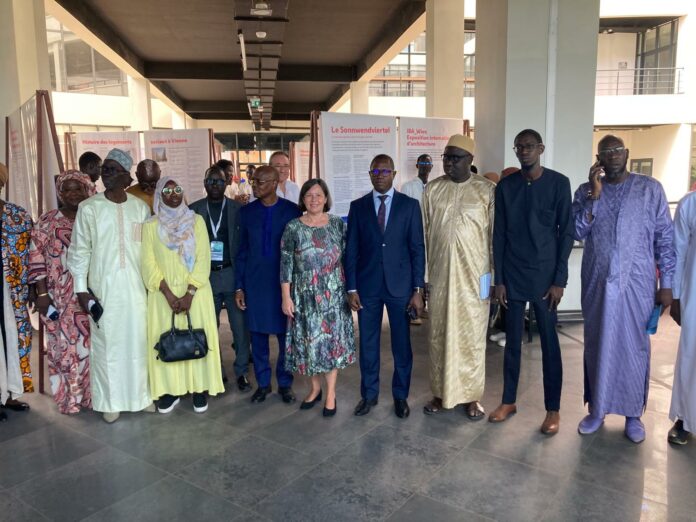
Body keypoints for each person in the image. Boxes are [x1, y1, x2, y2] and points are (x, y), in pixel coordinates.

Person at [573, 134, 675, 443]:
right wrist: (595, 194)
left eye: (618, 150)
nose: (613, 155)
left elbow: (665, 239)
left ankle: (633, 415)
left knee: (634, 347)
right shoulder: (586, 191)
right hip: (598, 284)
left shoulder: (650, 189)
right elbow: (578, 231)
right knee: (598, 343)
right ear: (598, 159)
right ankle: (597, 410)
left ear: (627, 153)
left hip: (638, 284)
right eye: (606, 151)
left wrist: (667, 285)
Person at [489, 129, 574, 435]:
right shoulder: (506, 187)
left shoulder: (558, 184)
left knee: (550, 345)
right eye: (519, 147)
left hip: (545, 280)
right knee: (512, 343)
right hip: (512, 277)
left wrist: (559, 280)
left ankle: (553, 410)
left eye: (529, 146)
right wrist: (499, 279)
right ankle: (508, 401)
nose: (523, 151)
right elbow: (498, 235)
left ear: (540, 148)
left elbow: (566, 234)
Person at [67, 148, 154, 423]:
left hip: (136, 289)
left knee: (139, 343)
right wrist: (81, 289)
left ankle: (142, 396)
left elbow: (144, 249)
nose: (106, 173)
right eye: (105, 168)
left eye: (113, 170)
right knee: (107, 347)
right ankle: (110, 401)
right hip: (102, 290)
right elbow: (80, 251)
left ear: (127, 176)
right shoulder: (89, 208)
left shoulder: (140, 208)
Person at [345, 154, 425, 419]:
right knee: (368, 343)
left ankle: (400, 396)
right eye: (375, 171)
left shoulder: (409, 206)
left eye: (385, 171)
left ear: (393, 174)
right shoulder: (358, 207)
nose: (380, 175)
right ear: (369, 175)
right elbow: (352, 250)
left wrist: (417, 290)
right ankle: (369, 394)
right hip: (367, 287)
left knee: (402, 344)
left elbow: (417, 249)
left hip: (400, 287)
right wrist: (351, 288)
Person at [421, 135, 493, 421]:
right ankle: (440, 393)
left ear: (470, 161)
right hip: (439, 277)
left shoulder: (487, 191)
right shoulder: (432, 191)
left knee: (472, 338)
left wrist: (494, 281)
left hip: (475, 280)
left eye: (456, 158)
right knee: (438, 336)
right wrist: (423, 278)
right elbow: (424, 236)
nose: (449, 163)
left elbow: (494, 238)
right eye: (446, 157)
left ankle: (472, 396)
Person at [142, 177, 224, 413]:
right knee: (168, 339)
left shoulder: (196, 221)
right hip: (162, 293)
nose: (173, 193)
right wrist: (168, 293)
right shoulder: (150, 226)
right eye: (166, 190)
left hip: (196, 292)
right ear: (159, 195)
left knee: (196, 337)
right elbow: (147, 263)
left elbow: (203, 257)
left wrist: (189, 293)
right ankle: (171, 390)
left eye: (177, 188)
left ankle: (199, 389)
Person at [281, 179, 355, 417]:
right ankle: (315, 389)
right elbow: (286, 265)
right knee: (309, 345)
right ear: (302, 199)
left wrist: (351, 290)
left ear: (326, 198)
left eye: (318, 195)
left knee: (331, 346)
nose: (314, 199)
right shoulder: (293, 227)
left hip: (333, 294)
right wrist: (286, 297)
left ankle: (331, 393)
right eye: (309, 195)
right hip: (303, 295)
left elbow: (348, 259)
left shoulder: (337, 224)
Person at [29, 171, 95, 415]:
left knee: (90, 348)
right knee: (62, 349)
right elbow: (35, 258)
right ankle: (70, 399)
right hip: (58, 296)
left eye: (77, 188)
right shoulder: (47, 221)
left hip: (91, 295)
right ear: (60, 193)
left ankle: (92, 396)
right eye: (66, 189)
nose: (72, 194)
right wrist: (42, 294)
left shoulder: (93, 216)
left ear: (87, 189)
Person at [235, 166, 301, 403]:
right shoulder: (246, 213)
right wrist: (239, 286)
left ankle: (285, 383)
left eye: (260, 182)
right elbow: (241, 251)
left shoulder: (292, 211)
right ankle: (263, 384)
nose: (255, 186)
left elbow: (298, 252)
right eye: (254, 182)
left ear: (274, 183)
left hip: (283, 285)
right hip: (255, 284)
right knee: (258, 337)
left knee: (286, 338)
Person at [190, 166, 251, 392]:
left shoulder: (238, 209)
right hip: (206, 277)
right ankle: (216, 371)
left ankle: (242, 371)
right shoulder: (193, 210)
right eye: (210, 181)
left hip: (232, 275)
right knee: (209, 327)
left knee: (239, 328)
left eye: (219, 181)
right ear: (204, 183)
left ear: (227, 183)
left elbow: (244, 245)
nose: (215, 185)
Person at [0, 163, 33, 421]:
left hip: (13, 291)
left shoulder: (18, 215)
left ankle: (11, 393)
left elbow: (32, 253)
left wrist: (34, 287)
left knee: (14, 338)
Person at [667, 191, 696, 444]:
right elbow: (678, 252)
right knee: (691, 355)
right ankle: (685, 419)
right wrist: (675, 296)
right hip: (694, 294)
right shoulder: (690, 204)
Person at [401, 154, 432, 326]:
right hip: (414, 235)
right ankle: (413, 309)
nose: (425, 166)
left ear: (431, 166)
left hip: (430, 236)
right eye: (422, 162)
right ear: (417, 166)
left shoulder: (435, 186)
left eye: (428, 162)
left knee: (427, 270)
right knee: (415, 268)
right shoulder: (408, 187)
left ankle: (424, 306)